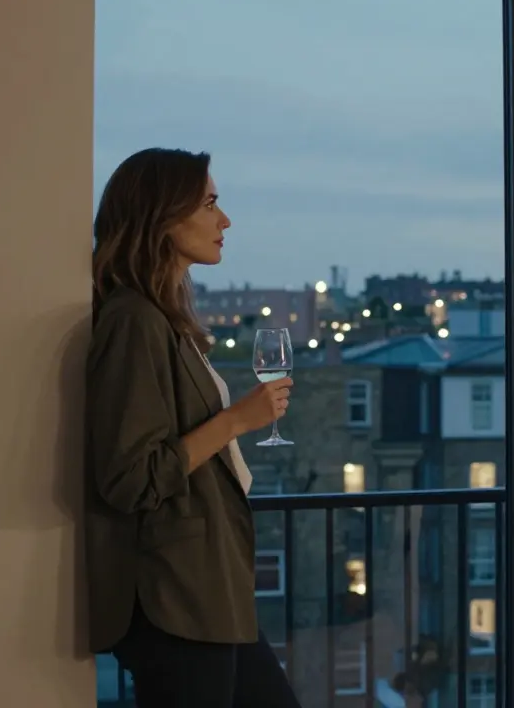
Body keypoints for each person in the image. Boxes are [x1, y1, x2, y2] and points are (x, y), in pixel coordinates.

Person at [84, 147, 302, 707]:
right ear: (160, 216)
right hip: (175, 596)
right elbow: (130, 476)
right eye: (209, 203)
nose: (224, 220)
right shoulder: (133, 319)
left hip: (209, 591)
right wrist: (236, 420)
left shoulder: (163, 318)